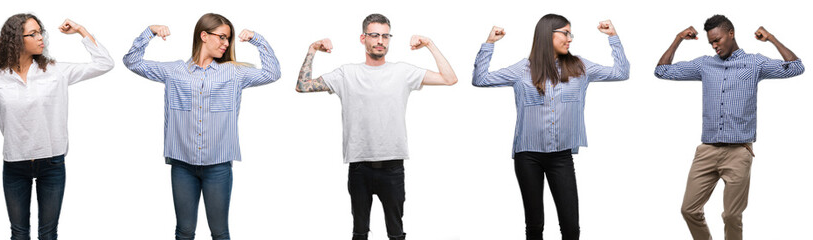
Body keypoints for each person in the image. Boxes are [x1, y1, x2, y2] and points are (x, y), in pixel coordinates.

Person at [0, 13, 113, 240]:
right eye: (33, 34)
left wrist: (81, 30)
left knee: (48, 234)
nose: (41, 38)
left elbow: (105, 63)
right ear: (15, 40)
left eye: (40, 32)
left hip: (52, 162)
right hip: (15, 164)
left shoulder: (55, 71)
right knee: (19, 234)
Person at [295, 13, 457, 240]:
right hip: (359, 166)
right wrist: (312, 49)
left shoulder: (402, 71)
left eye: (385, 36)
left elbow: (449, 79)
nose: (380, 41)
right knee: (360, 233)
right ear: (363, 38)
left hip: (392, 166)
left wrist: (429, 44)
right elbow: (302, 86)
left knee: (396, 233)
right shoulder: (347, 74)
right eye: (374, 35)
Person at [122, 13, 280, 240]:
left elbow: (272, 73)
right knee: (184, 232)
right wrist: (150, 32)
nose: (226, 44)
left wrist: (257, 39)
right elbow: (132, 62)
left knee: (220, 233)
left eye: (229, 39)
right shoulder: (174, 72)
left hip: (218, 166)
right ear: (204, 35)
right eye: (222, 37)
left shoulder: (234, 73)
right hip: (182, 165)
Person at [472, 14, 629, 240]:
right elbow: (480, 79)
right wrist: (489, 43)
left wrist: (613, 37)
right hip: (528, 155)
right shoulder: (522, 69)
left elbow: (621, 73)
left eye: (570, 33)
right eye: (565, 33)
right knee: (535, 225)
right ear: (548, 34)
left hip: (561, 156)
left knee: (570, 226)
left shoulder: (580, 66)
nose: (570, 38)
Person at [654, 14, 804, 240]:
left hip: (738, 152)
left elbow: (796, 67)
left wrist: (771, 38)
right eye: (711, 42)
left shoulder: (754, 63)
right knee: (689, 209)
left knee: (732, 216)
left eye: (718, 40)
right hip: (707, 151)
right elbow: (662, 71)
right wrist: (678, 39)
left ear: (731, 34)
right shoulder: (705, 64)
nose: (714, 46)